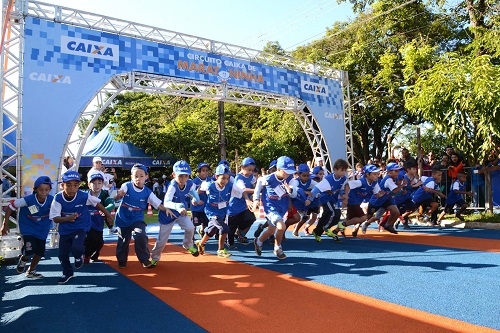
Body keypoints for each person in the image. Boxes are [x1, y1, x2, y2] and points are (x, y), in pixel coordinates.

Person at [49, 171, 114, 284]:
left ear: (79, 186)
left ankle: (79, 256)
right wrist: (67, 219)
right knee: (62, 254)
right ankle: (68, 273)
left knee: (77, 246)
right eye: (68, 185)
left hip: (81, 226)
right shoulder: (58, 198)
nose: (72, 188)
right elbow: (55, 218)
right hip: (65, 229)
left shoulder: (84, 196)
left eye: (75, 185)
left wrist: (108, 215)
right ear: (62, 185)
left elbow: (97, 204)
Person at [113, 164, 176, 269]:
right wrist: (119, 195)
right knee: (123, 240)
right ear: (131, 177)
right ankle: (122, 260)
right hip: (122, 219)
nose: (138, 178)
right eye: (135, 176)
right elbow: (116, 198)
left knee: (140, 234)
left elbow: (158, 204)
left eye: (141, 176)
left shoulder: (148, 192)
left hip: (137, 219)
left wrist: (167, 209)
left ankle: (144, 260)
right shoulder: (127, 186)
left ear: (146, 177)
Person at [1, 176, 54, 279]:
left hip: (42, 229)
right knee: (29, 248)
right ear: (35, 190)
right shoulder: (27, 200)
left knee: (39, 252)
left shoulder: (52, 200)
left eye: (46, 190)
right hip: (28, 227)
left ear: (50, 190)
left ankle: (31, 271)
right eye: (41, 189)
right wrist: (5, 223)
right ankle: (24, 258)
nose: (44, 192)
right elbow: (11, 207)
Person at [151, 160, 201, 266]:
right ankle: (154, 258)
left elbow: (193, 193)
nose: (183, 179)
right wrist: (178, 207)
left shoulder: (190, 183)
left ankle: (187, 245)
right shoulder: (172, 185)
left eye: (186, 176)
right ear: (173, 175)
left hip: (180, 213)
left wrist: (195, 199)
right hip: (168, 214)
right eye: (180, 176)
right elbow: (166, 202)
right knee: (162, 240)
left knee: (190, 227)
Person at [195, 164, 245, 258]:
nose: (225, 181)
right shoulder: (209, 185)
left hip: (222, 212)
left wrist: (249, 200)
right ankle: (220, 250)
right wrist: (195, 199)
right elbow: (199, 190)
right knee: (224, 228)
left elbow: (242, 192)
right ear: (216, 177)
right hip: (212, 212)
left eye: (227, 178)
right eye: (223, 178)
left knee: (212, 231)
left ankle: (201, 243)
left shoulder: (230, 186)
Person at [252, 156, 297, 260]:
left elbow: (294, 194)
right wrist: (255, 200)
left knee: (271, 230)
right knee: (281, 227)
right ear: (279, 169)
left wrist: (289, 190)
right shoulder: (268, 179)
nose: (288, 174)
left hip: (282, 207)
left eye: (290, 172)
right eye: (286, 171)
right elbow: (258, 187)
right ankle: (277, 248)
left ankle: (258, 241)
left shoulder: (291, 179)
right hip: (270, 207)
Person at [332, 165, 383, 236]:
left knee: (350, 219)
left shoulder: (374, 183)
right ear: (367, 174)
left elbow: (377, 194)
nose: (377, 176)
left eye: (377, 174)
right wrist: (346, 196)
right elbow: (348, 185)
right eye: (374, 174)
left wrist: (382, 194)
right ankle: (343, 224)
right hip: (352, 202)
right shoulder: (361, 182)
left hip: (358, 202)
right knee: (363, 218)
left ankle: (335, 231)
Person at [308, 159, 349, 242]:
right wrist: (309, 199)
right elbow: (316, 189)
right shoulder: (328, 179)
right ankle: (326, 228)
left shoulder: (343, 178)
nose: (344, 172)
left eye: (345, 170)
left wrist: (344, 195)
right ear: (335, 169)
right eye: (342, 170)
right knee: (335, 213)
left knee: (326, 216)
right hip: (325, 199)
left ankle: (317, 232)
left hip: (333, 199)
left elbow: (341, 189)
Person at [84, 173, 115, 264]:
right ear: (89, 184)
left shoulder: (104, 194)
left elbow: (111, 204)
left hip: (98, 222)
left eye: (99, 183)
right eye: (94, 183)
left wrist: (105, 210)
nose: (97, 185)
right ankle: (86, 255)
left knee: (100, 242)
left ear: (102, 184)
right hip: (87, 222)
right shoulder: (85, 195)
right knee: (90, 238)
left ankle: (94, 256)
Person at [227, 157, 257, 249]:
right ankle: (230, 242)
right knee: (232, 226)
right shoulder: (238, 178)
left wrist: (255, 196)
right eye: (249, 170)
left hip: (244, 206)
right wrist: (251, 196)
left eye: (252, 170)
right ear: (242, 167)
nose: (251, 172)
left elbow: (254, 184)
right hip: (235, 206)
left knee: (250, 219)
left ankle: (240, 234)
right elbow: (243, 190)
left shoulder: (251, 177)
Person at [192, 162, 210, 238]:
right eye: (203, 170)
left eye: (206, 170)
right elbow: (190, 193)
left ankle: (202, 230)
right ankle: (191, 236)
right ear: (199, 172)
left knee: (206, 222)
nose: (205, 172)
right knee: (194, 222)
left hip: (206, 206)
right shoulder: (194, 181)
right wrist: (197, 194)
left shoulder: (210, 180)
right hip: (196, 206)